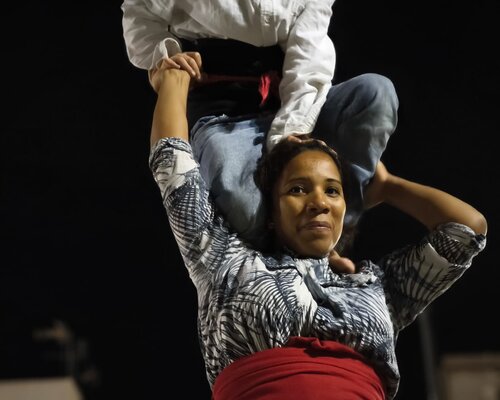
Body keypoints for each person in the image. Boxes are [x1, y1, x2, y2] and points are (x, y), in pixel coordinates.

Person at [148, 67, 487, 399]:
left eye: (333, 191)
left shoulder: (375, 289)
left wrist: (389, 187)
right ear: (270, 213)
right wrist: (174, 79)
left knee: (376, 89)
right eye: (297, 190)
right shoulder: (227, 261)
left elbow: (466, 231)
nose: (319, 203)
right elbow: (175, 172)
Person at [121, 0, 399, 262]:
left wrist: (291, 134)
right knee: (245, 209)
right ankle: (281, 264)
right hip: (220, 113)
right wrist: (167, 53)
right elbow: (139, 13)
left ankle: (329, 241)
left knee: (375, 93)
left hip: (295, 99)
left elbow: (309, 49)